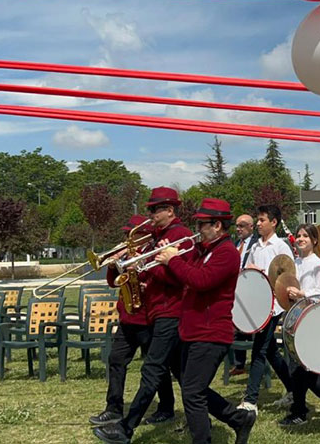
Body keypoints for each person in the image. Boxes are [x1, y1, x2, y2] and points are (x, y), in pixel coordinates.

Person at [94, 187, 196, 444]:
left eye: (154, 209)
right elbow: (123, 280)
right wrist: (122, 265)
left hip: (169, 313)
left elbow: (179, 277)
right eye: (149, 209)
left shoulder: (180, 236)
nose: (150, 214)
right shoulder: (158, 238)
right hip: (152, 313)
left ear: (169, 210)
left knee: (156, 370)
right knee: (180, 373)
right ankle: (225, 416)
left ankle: (128, 428)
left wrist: (147, 268)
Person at [152, 198, 257, 444]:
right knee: (193, 389)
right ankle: (239, 419)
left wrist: (174, 259)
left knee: (192, 393)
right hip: (192, 330)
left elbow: (201, 281)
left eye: (202, 224)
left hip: (211, 332)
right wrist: (165, 257)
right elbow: (181, 278)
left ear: (218, 225)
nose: (197, 230)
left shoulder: (227, 253)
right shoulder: (202, 251)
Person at [89, 215, 175, 427]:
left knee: (155, 367)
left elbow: (158, 279)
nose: (127, 239)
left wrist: (141, 276)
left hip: (147, 318)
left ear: (143, 235)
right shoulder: (128, 253)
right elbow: (113, 283)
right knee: (116, 360)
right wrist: (112, 264)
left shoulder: (153, 251)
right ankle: (113, 408)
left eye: (133, 234)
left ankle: (166, 407)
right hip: (127, 317)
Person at [279, 224, 320, 426]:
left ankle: (299, 411)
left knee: (298, 369)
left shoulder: (318, 264)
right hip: (294, 318)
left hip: (311, 320)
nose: (300, 239)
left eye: (305, 235)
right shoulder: (294, 263)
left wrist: (302, 294)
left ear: (314, 240)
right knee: (301, 368)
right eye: (298, 235)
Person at [240, 205, 294, 412]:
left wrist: (261, 271)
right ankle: (293, 389)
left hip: (273, 306)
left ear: (274, 222)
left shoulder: (280, 247)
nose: (258, 223)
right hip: (259, 303)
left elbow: (286, 277)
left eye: (262, 220)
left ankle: (250, 400)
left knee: (259, 351)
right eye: (258, 219)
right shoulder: (255, 247)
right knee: (270, 351)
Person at [231, 214, 256, 377]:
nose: (239, 229)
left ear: (251, 227)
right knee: (237, 326)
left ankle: (255, 362)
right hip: (236, 289)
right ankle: (239, 364)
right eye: (237, 226)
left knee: (250, 328)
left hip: (251, 289)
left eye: (242, 225)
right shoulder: (236, 244)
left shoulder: (256, 244)